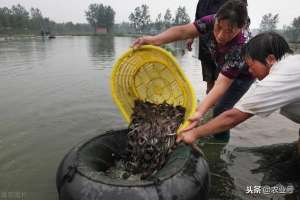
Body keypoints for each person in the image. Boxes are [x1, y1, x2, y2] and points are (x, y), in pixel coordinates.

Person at [133, 0, 253, 141]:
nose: (221, 35)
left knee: (222, 110)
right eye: (218, 27)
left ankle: (219, 145)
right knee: (213, 100)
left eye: (229, 32)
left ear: (241, 28)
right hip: (223, 64)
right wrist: (154, 40)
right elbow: (183, 31)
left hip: (244, 76)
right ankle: (208, 129)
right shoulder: (211, 20)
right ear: (216, 19)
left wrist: (199, 111)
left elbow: (222, 83)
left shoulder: (241, 45)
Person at [177, 32, 300, 154]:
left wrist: (194, 133)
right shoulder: (293, 64)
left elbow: (232, 117)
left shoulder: (277, 80)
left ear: (270, 59)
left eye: (251, 65)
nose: (250, 71)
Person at [186, 0, 229, 94]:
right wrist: (191, 37)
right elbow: (197, 21)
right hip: (205, 46)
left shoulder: (228, 3)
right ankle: (209, 104)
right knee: (209, 81)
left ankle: (219, 105)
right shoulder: (202, 2)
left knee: (222, 80)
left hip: (223, 48)